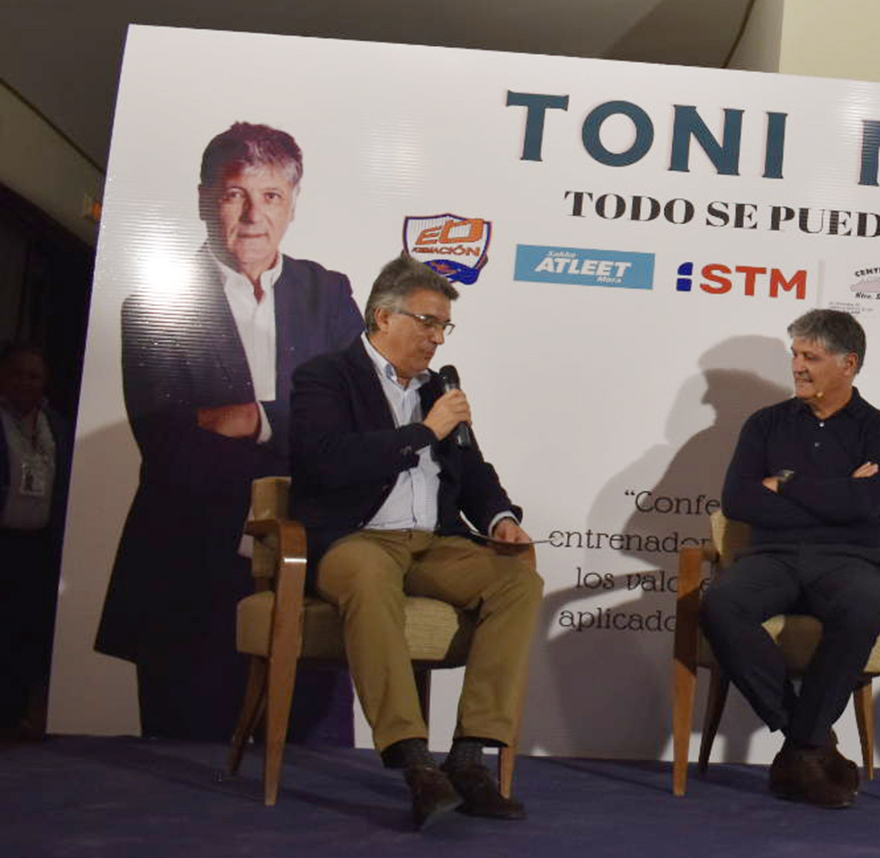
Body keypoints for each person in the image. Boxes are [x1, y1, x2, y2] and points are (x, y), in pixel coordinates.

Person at [95, 122, 365, 740]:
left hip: (310, 575)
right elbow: (172, 451)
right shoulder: (154, 305)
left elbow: (362, 423)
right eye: (233, 194)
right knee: (183, 793)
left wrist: (256, 419)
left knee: (315, 787)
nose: (251, 216)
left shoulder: (328, 295)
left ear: (293, 205)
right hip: (189, 578)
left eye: (270, 196)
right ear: (202, 200)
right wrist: (305, 443)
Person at [289, 252, 542, 830]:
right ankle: (413, 759)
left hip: (433, 543)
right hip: (357, 538)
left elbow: (472, 469)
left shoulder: (439, 389)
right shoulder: (326, 377)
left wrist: (500, 516)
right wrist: (422, 433)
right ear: (382, 317)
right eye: (427, 322)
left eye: (443, 326)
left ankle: (471, 754)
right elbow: (324, 461)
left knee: (516, 580)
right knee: (370, 575)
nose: (437, 338)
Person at [699, 308, 880, 809]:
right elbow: (740, 502)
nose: (798, 366)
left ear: (848, 363)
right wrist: (835, 494)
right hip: (773, 556)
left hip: (850, 561)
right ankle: (811, 743)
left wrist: (786, 482)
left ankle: (799, 751)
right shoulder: (765, 424)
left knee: (863, 605)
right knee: (721, 604)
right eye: (795, 354)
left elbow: (865, 506)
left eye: (810, 357)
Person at [0, 344, 71, 738]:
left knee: (25, 636)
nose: (26, 382)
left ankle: (15, 717)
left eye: (34, 376)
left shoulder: (56, 426)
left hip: (38, 548)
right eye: (18, 374)